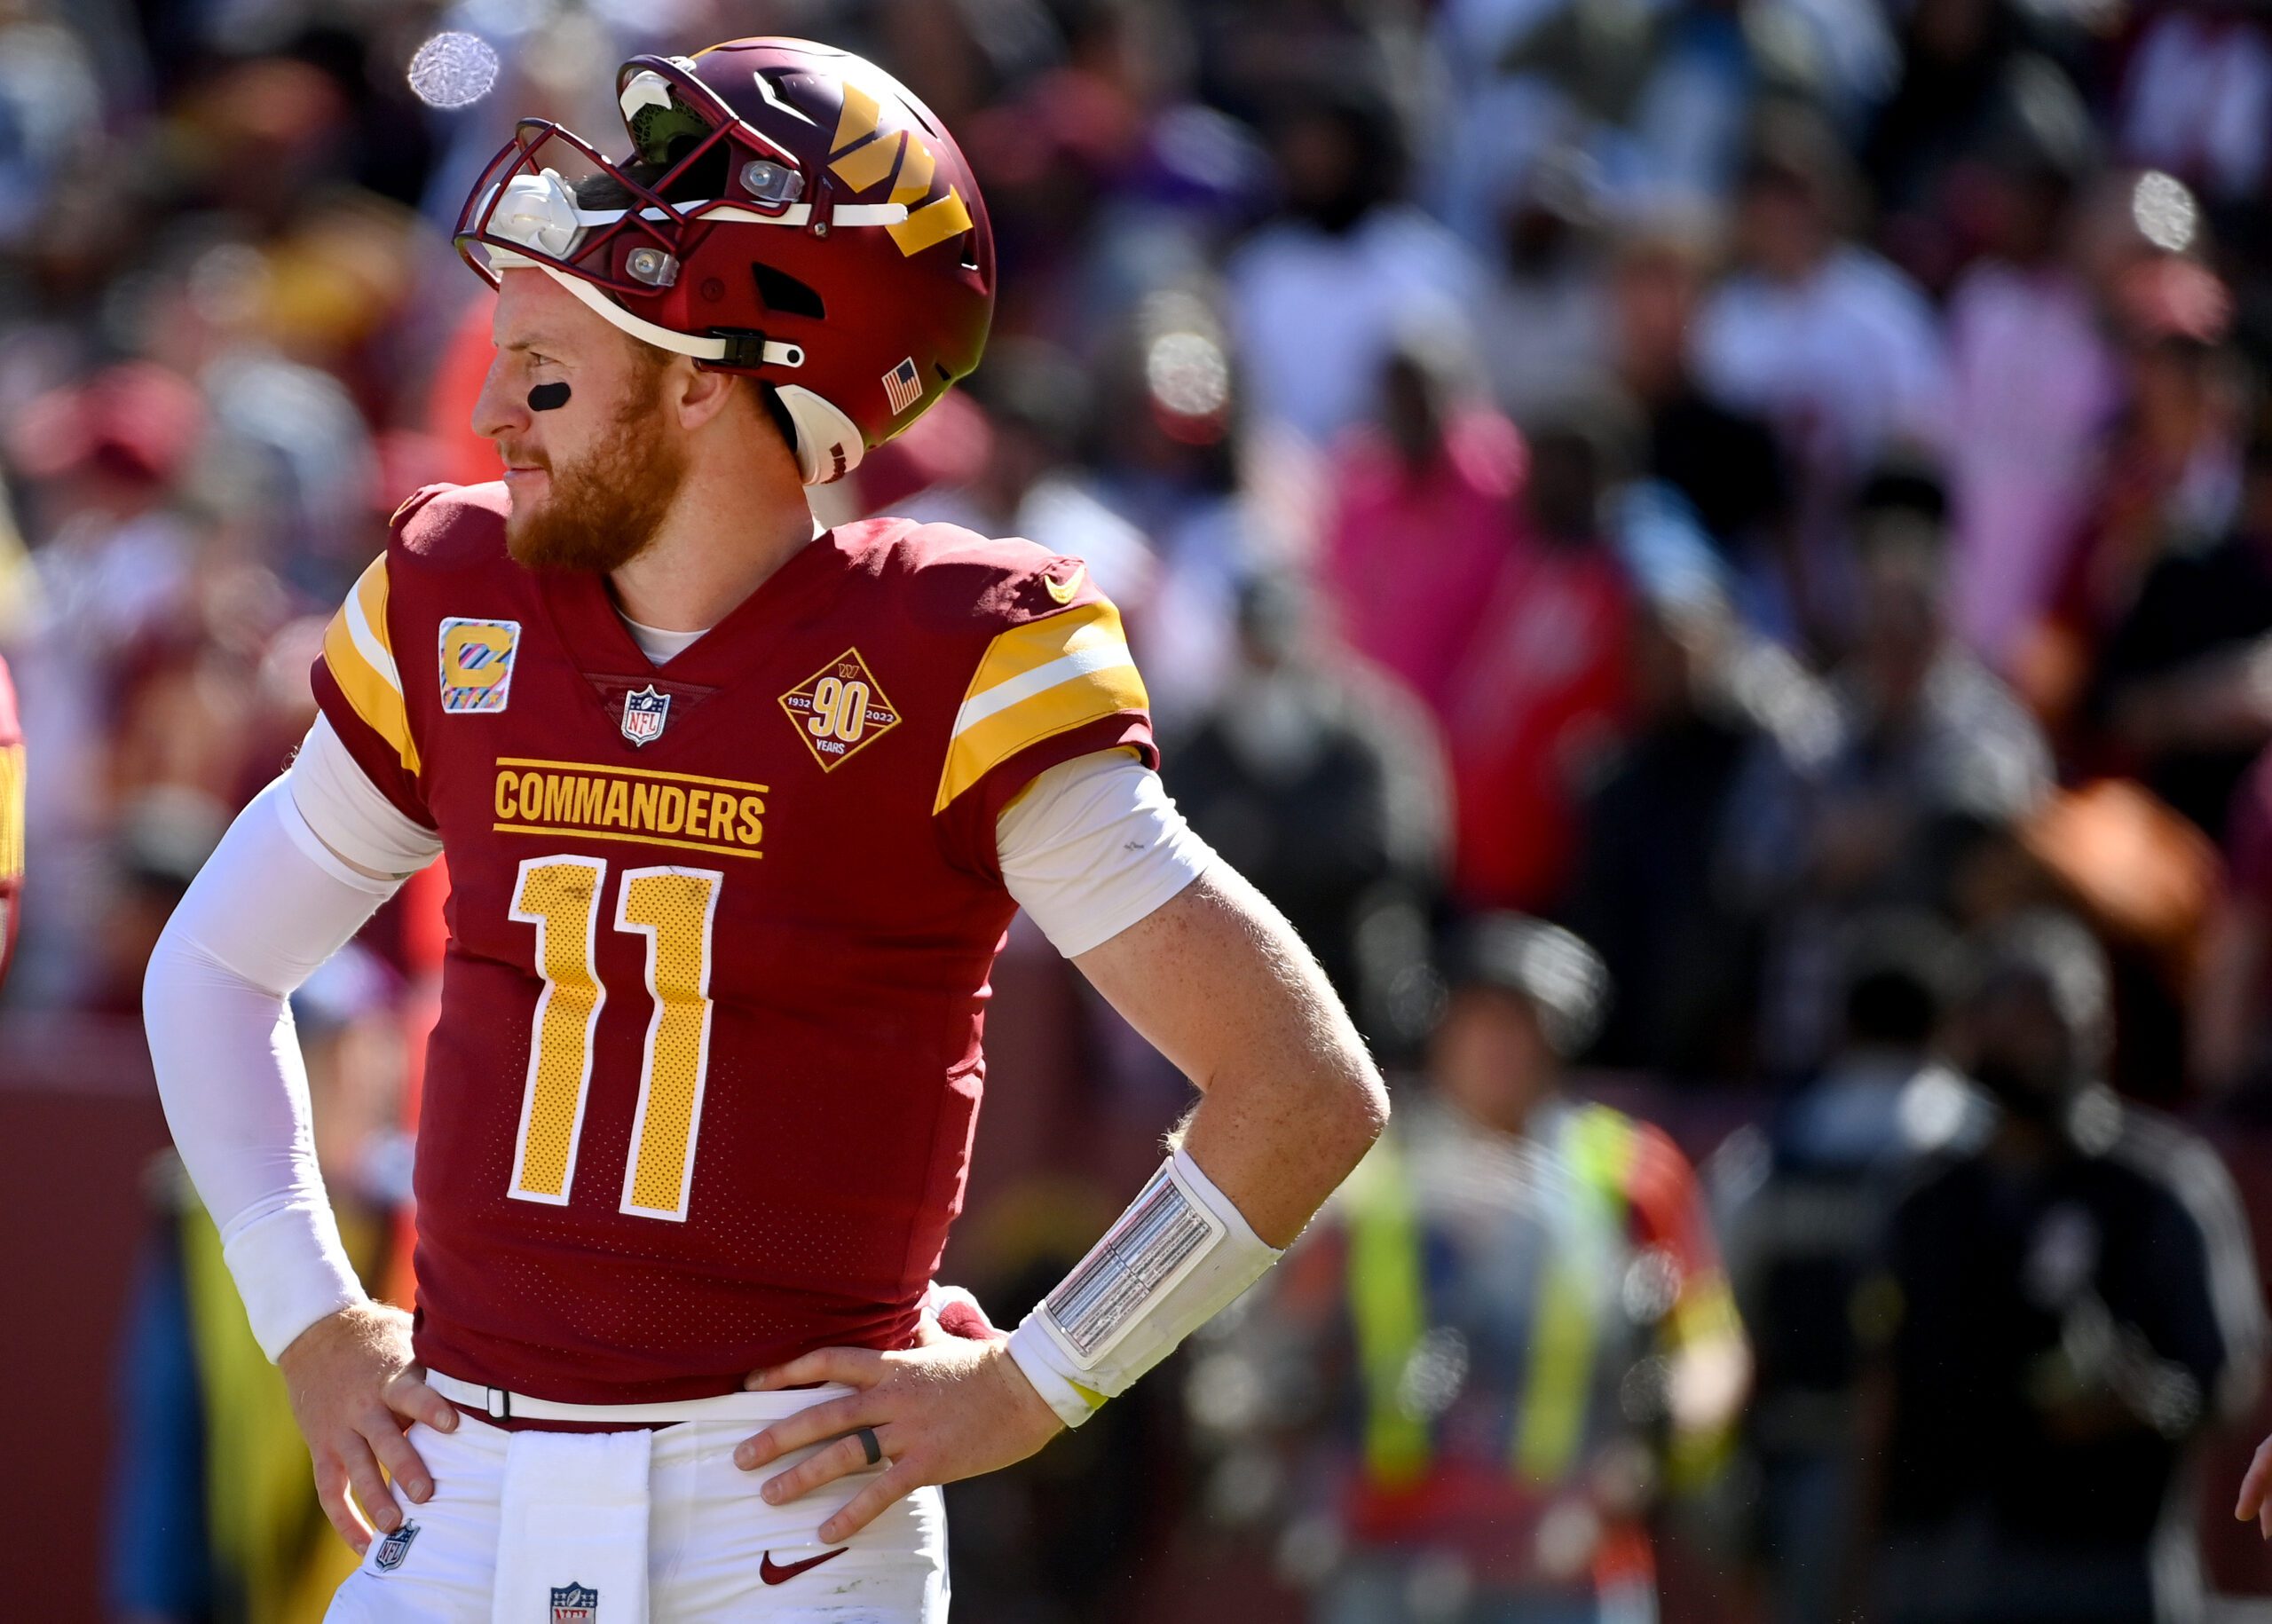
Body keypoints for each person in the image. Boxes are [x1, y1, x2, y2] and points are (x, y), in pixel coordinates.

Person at [140, 39, 1387, 1623]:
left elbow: (1300, 1088)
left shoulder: (956, 654)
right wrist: (311, 1318)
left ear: (713, 374)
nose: (495, 415)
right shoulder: (457, 599)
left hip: (778, 1536)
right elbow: (213, 967)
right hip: (454, 1499)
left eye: (551, 367)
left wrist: (1033, 1388)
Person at [1226, 917, 1749, 1624]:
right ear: (1438, 1035)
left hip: (1570, 1548)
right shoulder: (1366, 1176)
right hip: (1387, 1549)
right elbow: (1277, 1338)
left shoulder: (1627, 1171)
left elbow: (1709, 1342)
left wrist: (1673, 1431)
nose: (1497, 1047)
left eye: (1520, 1026)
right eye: (1478, 1023)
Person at [1865, 912, 2263, 1623]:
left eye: (2060, 1019)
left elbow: (2227, 1376)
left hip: (2101, 1564)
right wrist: (1852, 1576)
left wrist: (2137, 1401)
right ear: (1972, 1031)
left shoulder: (2160, 1187)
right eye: (2017, 1020)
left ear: (2101, 1029)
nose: (2040, 1043)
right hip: (1940, 1562)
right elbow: (1881, 1394)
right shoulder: (1928, 1201)